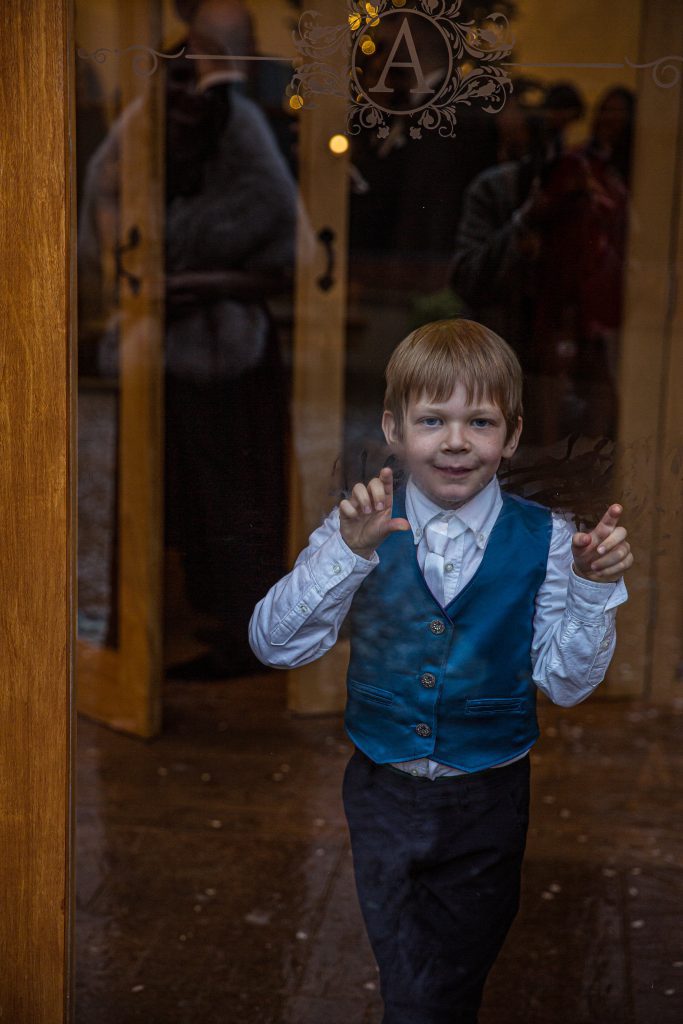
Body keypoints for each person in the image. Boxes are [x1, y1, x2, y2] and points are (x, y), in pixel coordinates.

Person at [249, 318, 634, 1024]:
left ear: (511, 436)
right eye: (432, 419)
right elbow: (275, 646)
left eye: (478, 421)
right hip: (381, 795)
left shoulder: (547, 538)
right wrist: (347, 553)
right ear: (393, 428)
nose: (455, 440)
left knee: (445, 984)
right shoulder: (360, 525)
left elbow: (567, 684)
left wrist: (585, 587)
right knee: (411, 980)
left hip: (488, 799)